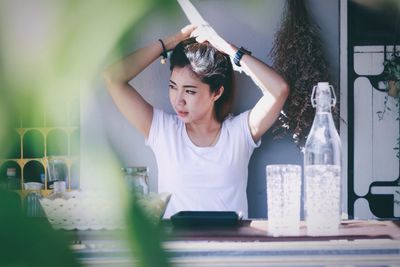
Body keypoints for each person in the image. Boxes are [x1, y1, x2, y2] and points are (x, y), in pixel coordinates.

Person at [103, 24, 289, 218]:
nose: (178, 100)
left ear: (216, 92)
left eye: (190, 91)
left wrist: (227, 48)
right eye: (173, 87)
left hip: (231, 246)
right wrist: (170, 42)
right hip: (174, 247)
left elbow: (279, 90)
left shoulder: (238, 133)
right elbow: (113, 78)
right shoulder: (163, 131)